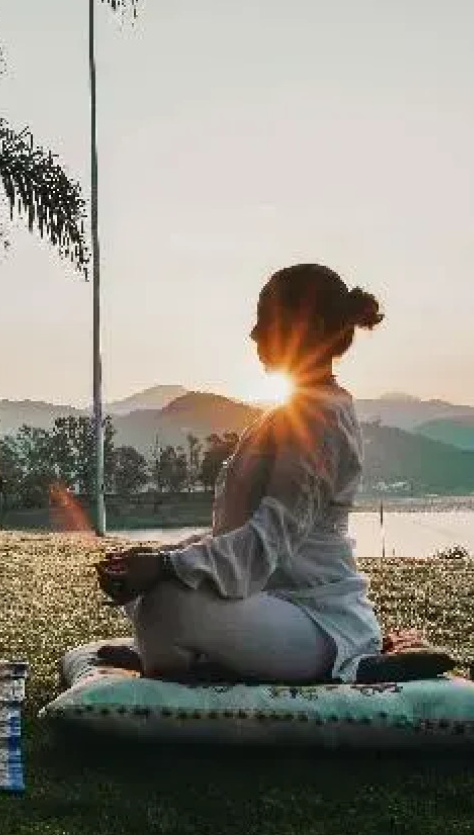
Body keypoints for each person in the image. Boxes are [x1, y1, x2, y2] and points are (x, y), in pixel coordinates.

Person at [95, 263, 392, 684]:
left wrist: (165, 566)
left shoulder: (320, 418)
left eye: (266, 319)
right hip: (265, 599)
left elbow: (265, 542)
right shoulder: (288, 412)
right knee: (151, 591)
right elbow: (232, 533)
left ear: (312, 326)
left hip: (317, 620)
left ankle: (182, 655)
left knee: (168, 602)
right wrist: (153, 561)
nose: (254, 334)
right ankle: (184, 654)